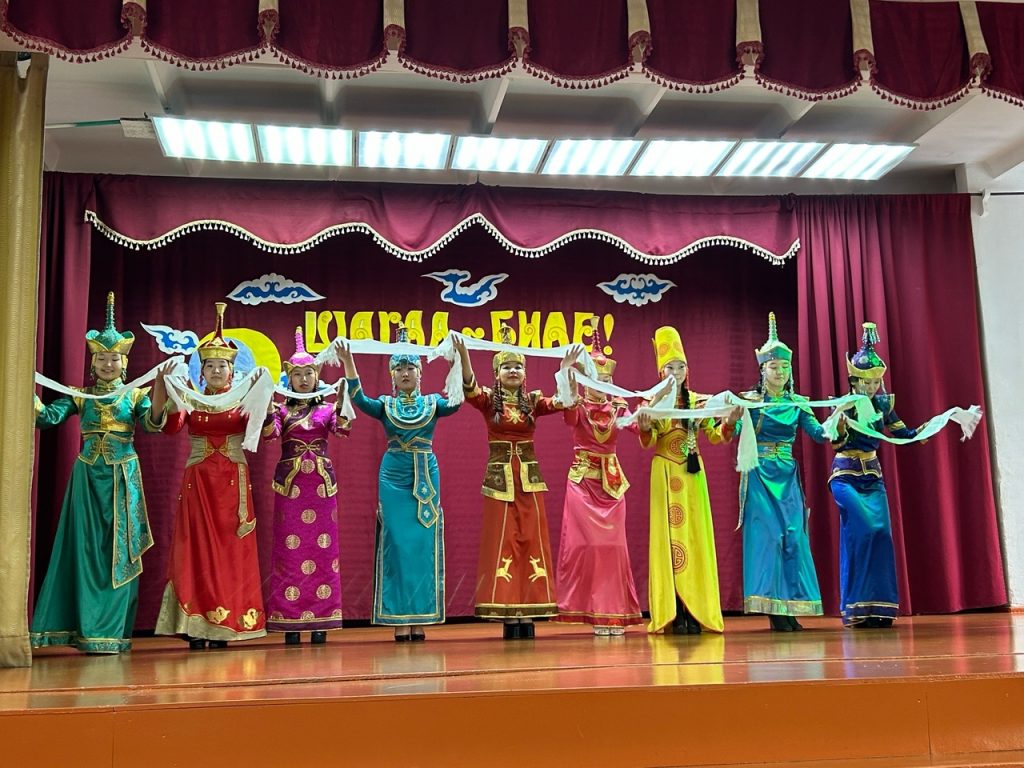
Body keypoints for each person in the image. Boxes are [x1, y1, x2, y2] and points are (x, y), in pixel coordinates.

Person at [31, 292, 168, 654]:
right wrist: (23, 384)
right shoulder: (80, 395)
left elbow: (153, 424)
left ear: (125, 363)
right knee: (84, 549)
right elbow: (46, 418)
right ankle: (83, 628)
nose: (108, 364)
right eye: (102, 358)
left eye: (114, 358)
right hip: (87, 480)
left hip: (124, 480)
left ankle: (113, 632)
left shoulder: (134, 396)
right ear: (93, 363)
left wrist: (159, 388)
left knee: (121, 551)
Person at [151, 302, 267, 649]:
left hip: (232, 485)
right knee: (196, 550)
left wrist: (264, 393)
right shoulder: (191, 399)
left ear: (233, 370)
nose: (217, 370)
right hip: (199, 483)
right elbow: (168, 426)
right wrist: (161, 386)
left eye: (222, 365)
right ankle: (195, 624)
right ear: (201, 370)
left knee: (230, 551)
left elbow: (266, 430)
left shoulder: (242, 400)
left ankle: (226, 624)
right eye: (210, 365)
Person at [336, 325, 459, 641]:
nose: (405, 373)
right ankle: (397, 618)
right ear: (392, 375)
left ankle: (421, 617)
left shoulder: (433, 403)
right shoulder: (385, 405)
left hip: (425, 473)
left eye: (410, 368)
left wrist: (459, 359)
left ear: (419, 373)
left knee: (422, 544)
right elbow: (359, 399)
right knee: (396, 544)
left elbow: (458, 401)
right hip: (393, 477)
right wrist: (348, 361)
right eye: (399, 368)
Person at [456, 325, 579, 639]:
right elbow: (469, 388)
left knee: (531, 540)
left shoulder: (533, 401)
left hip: (529, 480)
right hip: (499, 480)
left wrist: (565, 369)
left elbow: (564, 402)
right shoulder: (489, 401)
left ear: (525, 373)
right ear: (497, 373)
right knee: (504, 540)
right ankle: (507, 611)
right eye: (507, 367)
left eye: (518, 367)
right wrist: (464, 354)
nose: (513, 371)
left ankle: (531, 609)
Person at [738, 312, 829, 632]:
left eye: (785, 367)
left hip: (787, 476)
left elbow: (819, 434)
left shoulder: (798, 404)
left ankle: (791, 607)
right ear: (762, 370)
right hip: (760, 474)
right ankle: (773, 609)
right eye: (774, 366)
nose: (780, 372)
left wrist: (839, 421)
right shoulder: (750, 402)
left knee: (793, 538)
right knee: (769, 538)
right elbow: (734, 431)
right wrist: (730, 417)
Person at [638, 326, 732, 636]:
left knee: (694, 538)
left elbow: (716, 437)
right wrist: (645, 426)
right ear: (661, 371)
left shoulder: (699, 402)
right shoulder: (650, 402)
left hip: (692, 475)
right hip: (664, 473)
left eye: (681, 367)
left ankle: (696, 609)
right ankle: (674, 610)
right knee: (668, 541)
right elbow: (647, 442)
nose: (676, 373)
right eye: (670, 367)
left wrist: (729, 423)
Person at [263, 327, 350, 645]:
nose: (303, 379)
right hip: (291, 487)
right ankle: (289, 621)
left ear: (316, 377)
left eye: (308, 374)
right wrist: (264, 403)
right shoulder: (281, 410)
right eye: (297, 375)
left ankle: (321, 620)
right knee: (289, 553)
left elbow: (343, 429)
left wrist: (344, 398)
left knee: (323, 552)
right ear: (289, 378)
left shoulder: (326, 409)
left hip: (321, 488)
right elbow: (269, 435)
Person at [554, 328, 643, 635]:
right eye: (595, 379)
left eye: (605, 380)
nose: (600, 385)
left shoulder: (619, 407)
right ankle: (590, 611)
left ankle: (614, 613)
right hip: (582, 485)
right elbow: (567, 412)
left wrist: (649, 411)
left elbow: (639, 430)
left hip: (612, 486)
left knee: (613, 547)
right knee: (586, 547)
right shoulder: (577, 406)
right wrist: (565, 372)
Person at [829, 322, 917, 628]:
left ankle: (880, 608)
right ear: (854, 380)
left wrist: (926, 430)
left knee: (881, 534)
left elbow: (902, 432)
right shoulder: (844, 405)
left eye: (875, 382)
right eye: (866, 382)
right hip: (845, 477)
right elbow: (835, 442)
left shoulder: (883, 403)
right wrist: (841, 426)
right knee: (863, 531)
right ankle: (855, 607)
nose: (871, 387)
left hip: (873, 478)